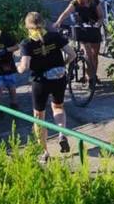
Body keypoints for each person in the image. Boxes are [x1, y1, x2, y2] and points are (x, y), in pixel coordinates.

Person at [17, 12, 75, 162]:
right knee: (58, 106)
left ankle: (44, 153)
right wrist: (62, 65)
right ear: (43, 23)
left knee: (39, 117)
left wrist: (18, 68)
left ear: (27, 26)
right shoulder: (55, 36)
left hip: (40, 82)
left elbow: (25, 66)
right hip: (58, 77)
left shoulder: (27, 43)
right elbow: (72, 54)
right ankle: (62, 133)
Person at [54, 0, 104, 84]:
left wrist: (98, 23)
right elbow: (65, 13)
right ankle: (90, 78)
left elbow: (101, 16)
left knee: (95, 56)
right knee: (88, 55)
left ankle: (94, 75)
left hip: (94, 30)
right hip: (82, 30)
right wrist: (58, 22)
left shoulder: (95, 2)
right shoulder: (75, 3)